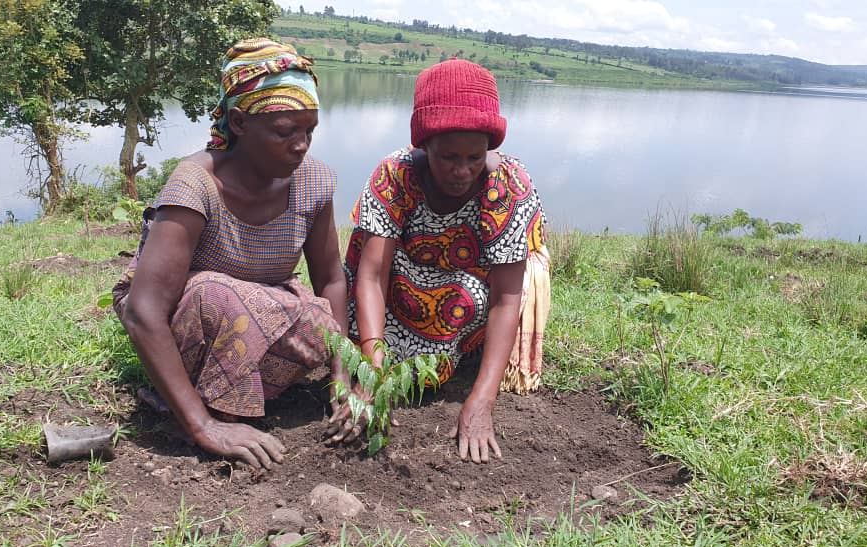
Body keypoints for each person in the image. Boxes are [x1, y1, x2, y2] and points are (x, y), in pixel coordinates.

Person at [112, 38, 350, 470]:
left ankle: (234, 395)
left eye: (309, 131)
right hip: (189, 322)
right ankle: (200, 410)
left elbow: (331, 278)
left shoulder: (313, 182)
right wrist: (203, 427)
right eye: (285, 132)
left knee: (319, 322)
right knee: (215, 295)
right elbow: (142, 311)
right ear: (239, 122)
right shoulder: (196, 185)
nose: (301, 145)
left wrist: (343, 374)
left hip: (265, 308)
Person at [327, 59, 551, 464]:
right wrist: (373, 372)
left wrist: (482, 400)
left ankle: (439, 361)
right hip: (395, 289)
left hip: (464, 297)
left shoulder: (509, 187)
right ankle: (387, 365)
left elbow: (506, 298)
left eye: (474, 157)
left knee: (462, 299)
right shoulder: (395, 174)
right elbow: (372, 277)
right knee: (355, 295)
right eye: (448, 157)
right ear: (424, 145)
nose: (462, 171)